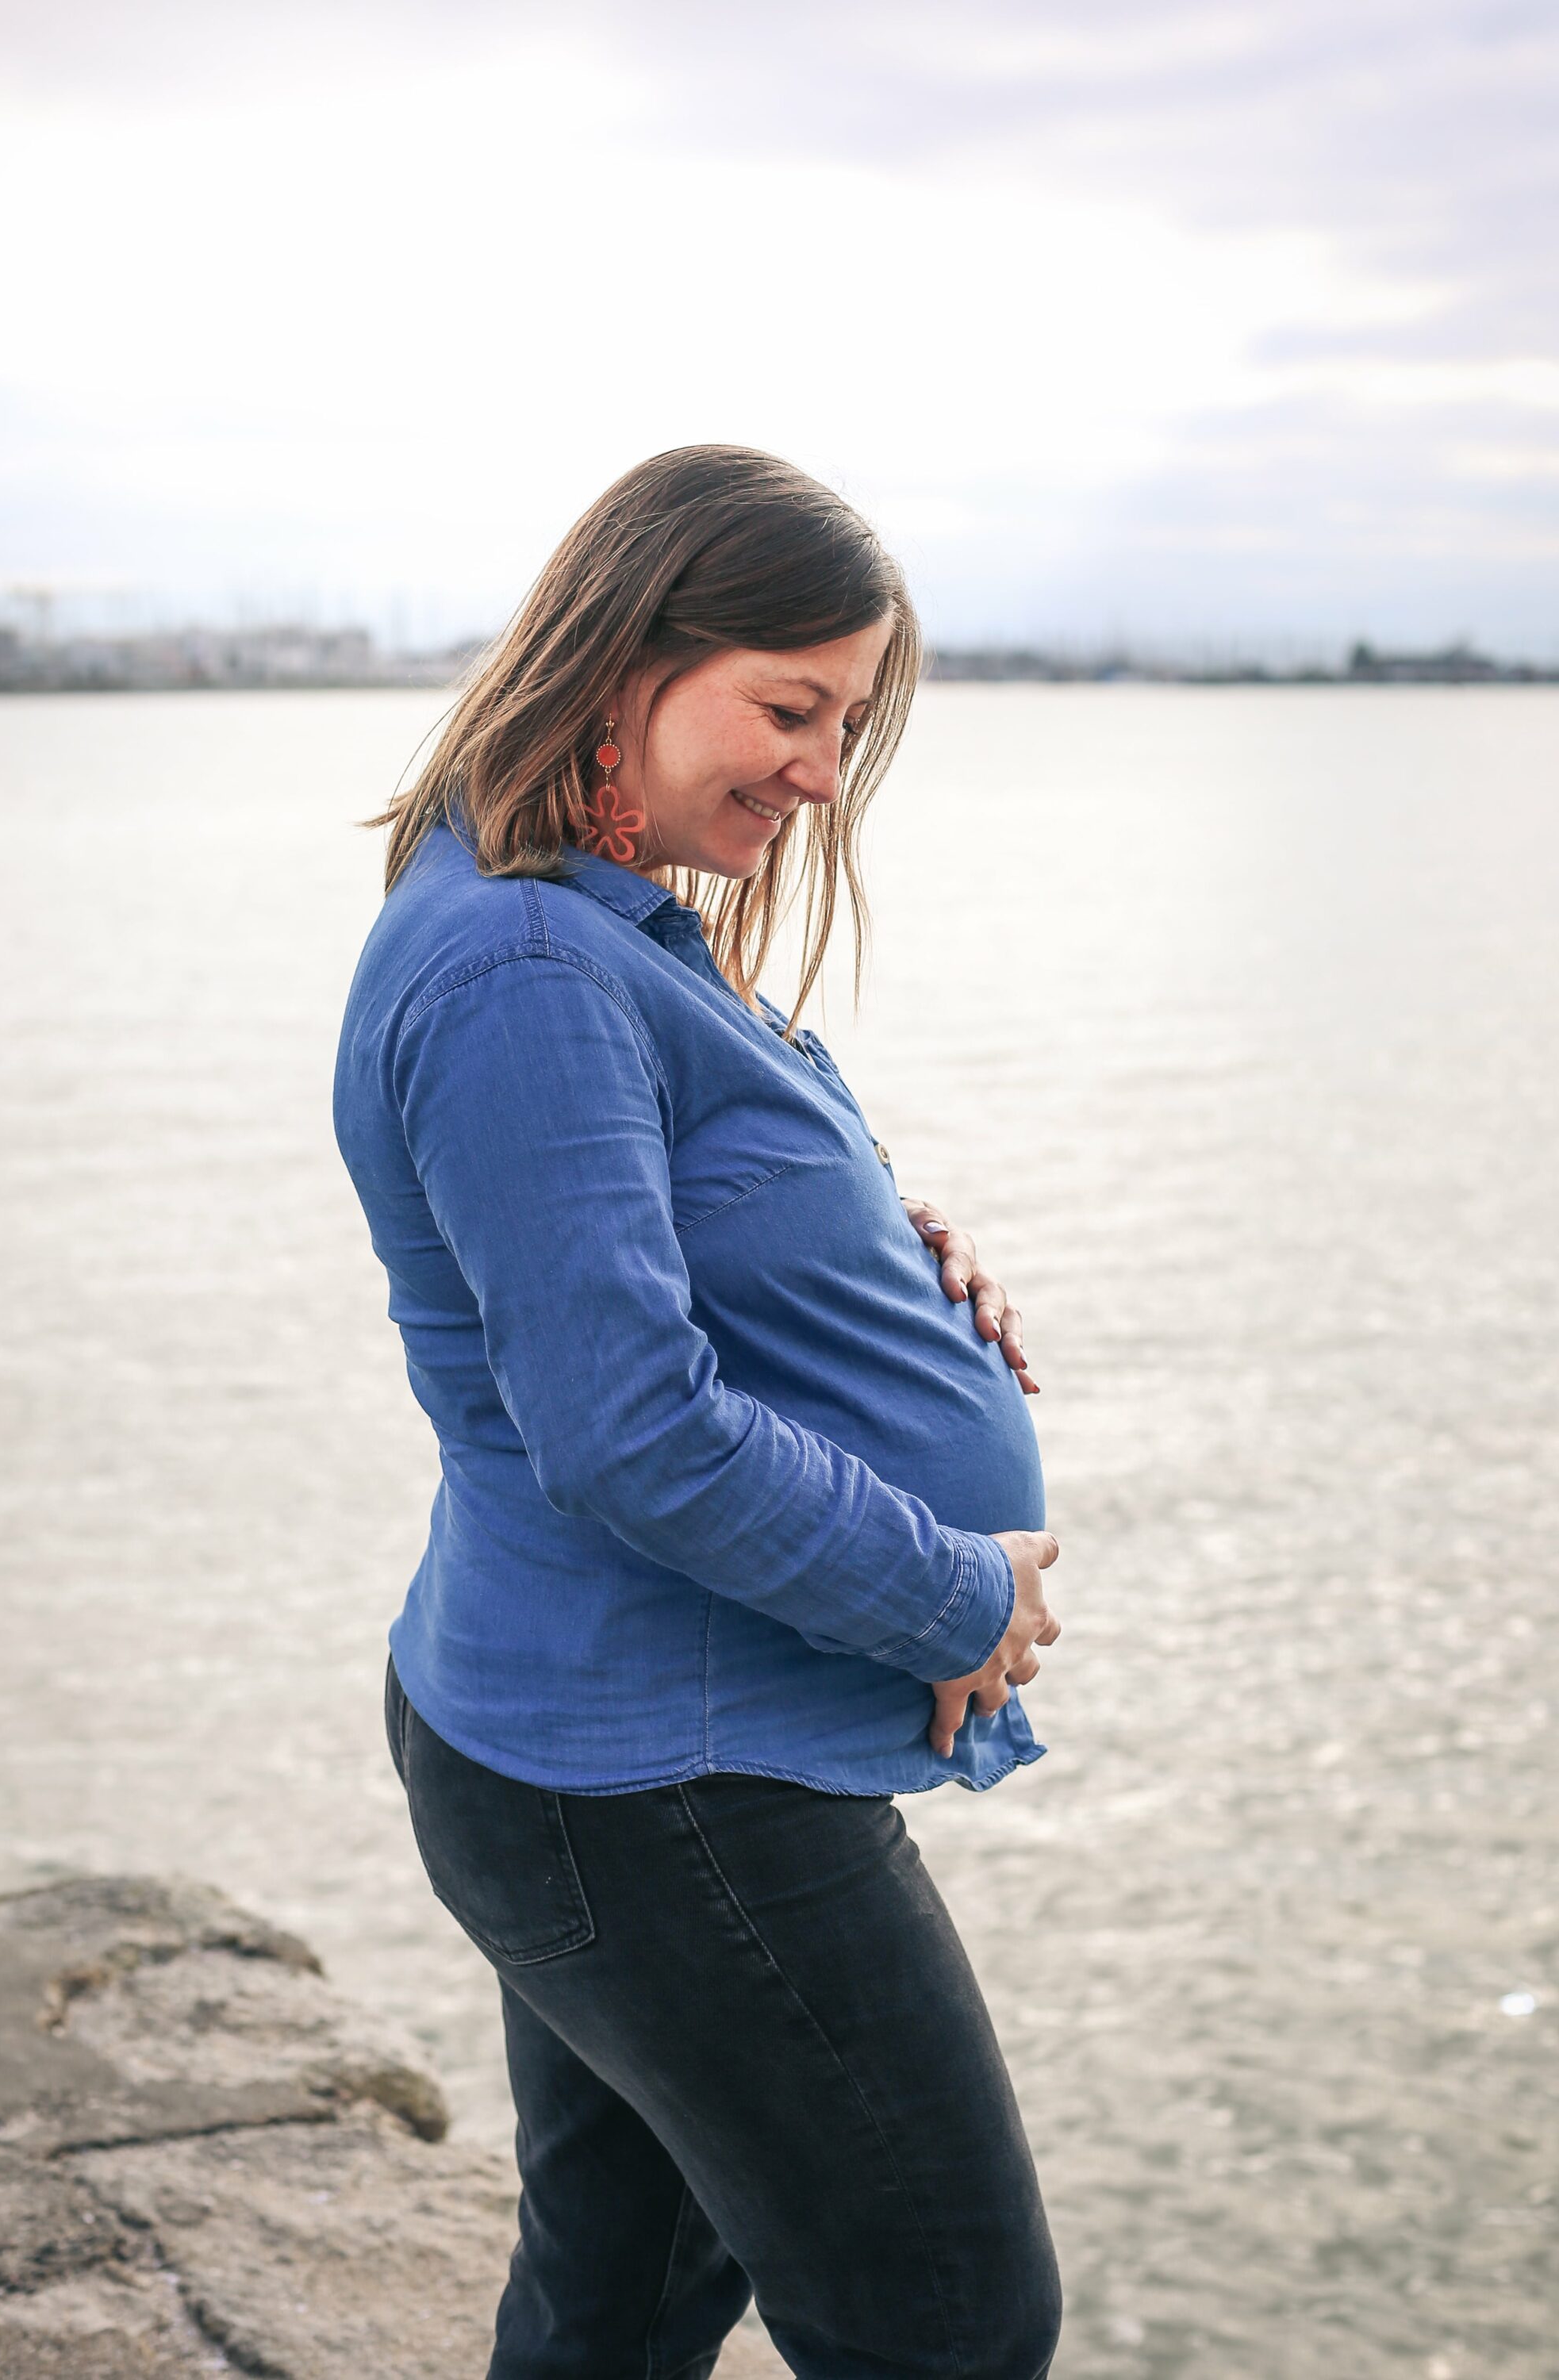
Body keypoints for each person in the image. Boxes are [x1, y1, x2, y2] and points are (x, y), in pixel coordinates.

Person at [333, 444, 1064, 2378]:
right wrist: (956, 1598)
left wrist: (873, 1250)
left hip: (612, 1757)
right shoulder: (521, 962)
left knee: (622, 2302)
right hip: (663, 1786)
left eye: (847, 720)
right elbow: (625, 1429)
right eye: (791, 708)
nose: (825, 770)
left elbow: (629, 1231)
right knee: (951, 2324)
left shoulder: (583, 916)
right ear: (627, 657)